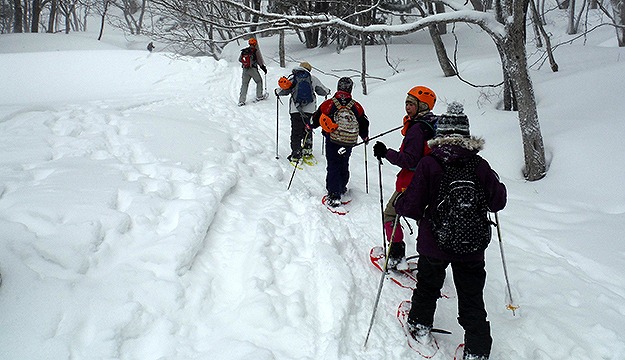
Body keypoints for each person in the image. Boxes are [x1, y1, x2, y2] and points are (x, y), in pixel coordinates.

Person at [394, 102, 507, 360]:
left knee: (428, 286)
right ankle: (477, 350)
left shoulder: (430, 163)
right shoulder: (479, 165)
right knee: (472, 298)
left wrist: (401, 202)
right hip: (472, 245)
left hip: (435, 243)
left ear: (441, 134)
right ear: (466, 135)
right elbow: (497, 202)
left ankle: (419, 324)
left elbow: (412, 206)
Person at [372, 86, 438, 270]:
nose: (407, 107)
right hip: (432, 184)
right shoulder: (434, 124)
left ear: (422, 105)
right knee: (424, 222)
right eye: (406, 103)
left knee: (390, 214)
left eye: (411, 104)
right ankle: (430, 263)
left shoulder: (417, 129)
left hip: (412, 183)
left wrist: (386, 153)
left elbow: (410, 161)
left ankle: (395, 256)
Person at [312, 77, 369, 207]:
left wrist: (310, 126)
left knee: (333, 164)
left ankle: (334, 194)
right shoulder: (356, 106)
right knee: (343, 162)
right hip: (348, 141)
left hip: (332, 140)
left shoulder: (329, 104)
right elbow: (364, 122)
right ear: (350, 89)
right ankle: (342, 186)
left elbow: (317, 117)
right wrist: (364, 136)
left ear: (338, 87)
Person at [275, 62, 331, 164]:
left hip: (295, 110)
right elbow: (323, 91)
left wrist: (277, 91)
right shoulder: (312, 79)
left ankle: (296, 154)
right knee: (308, 130)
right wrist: (328, 91)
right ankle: (307, 151)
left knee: (296, 131)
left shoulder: (293, 78)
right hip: (310, 110)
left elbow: (283, 91)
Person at [238, 38, 267, 106]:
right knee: (259, 81)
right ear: (255, 44)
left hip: (245, 70)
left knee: (244, 84)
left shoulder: (244, 51)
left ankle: (241, 100)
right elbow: (260, 61)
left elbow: (239, 59)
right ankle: (259, 96)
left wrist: (246, 63)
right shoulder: (255, 51)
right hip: (253, 69)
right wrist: (263, 68)